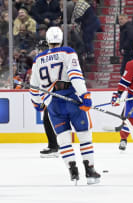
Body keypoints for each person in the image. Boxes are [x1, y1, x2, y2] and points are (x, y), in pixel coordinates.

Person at [29, 26, 100, 184]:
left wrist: (37, 103)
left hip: (53, 104)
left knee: (63, 137)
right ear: (61, 39)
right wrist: (84, 95)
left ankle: (72, 171)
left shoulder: (38, 59)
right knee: (84, 135)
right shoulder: (67, 52)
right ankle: (90, 171)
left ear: (47, 40)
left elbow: (33, 86)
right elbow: (75, 76)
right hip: (71, 99)